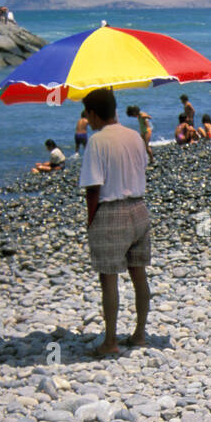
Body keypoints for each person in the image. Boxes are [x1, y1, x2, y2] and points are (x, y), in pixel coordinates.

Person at [78, 87, 151, 358]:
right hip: (139, 208)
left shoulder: (97, 141)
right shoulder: (134, 136)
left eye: (87, 114)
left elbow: (93, 187)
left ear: (94, 113)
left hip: (111, 210)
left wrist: (91, 220)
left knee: (108, 278)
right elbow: (144, 164)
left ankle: (110, 340)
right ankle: (139, 334)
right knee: (138, 274)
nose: (87, 119)